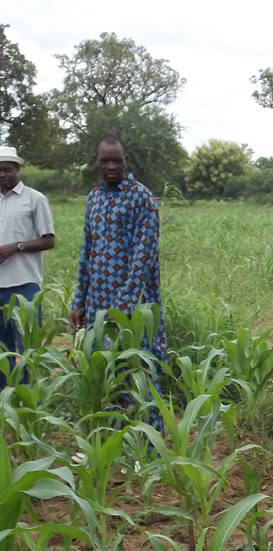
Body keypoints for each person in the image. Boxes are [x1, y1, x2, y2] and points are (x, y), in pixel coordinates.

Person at [68, 134, 167, 427]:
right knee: (105, 373)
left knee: (139, 372)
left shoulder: (141, 198)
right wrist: (78, 301)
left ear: (125, 161)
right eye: (105, 160)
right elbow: (87, 251)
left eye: (117, 160)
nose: (112, 165)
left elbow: (143, 257)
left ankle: (149, 446)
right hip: (97, 304)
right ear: (96, 162)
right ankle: (114, 441)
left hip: (134, 307)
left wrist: (122, 307)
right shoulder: (94, 199)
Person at [0, 145, 55, 388]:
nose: (3, 175)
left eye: (7, 170)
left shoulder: (35, 199)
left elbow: (48, 240)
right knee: (3, 347)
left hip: (25, 286)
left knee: (27, 347)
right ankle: (6, 397)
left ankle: (30, 395)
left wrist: (16, 247)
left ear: (18, 169)